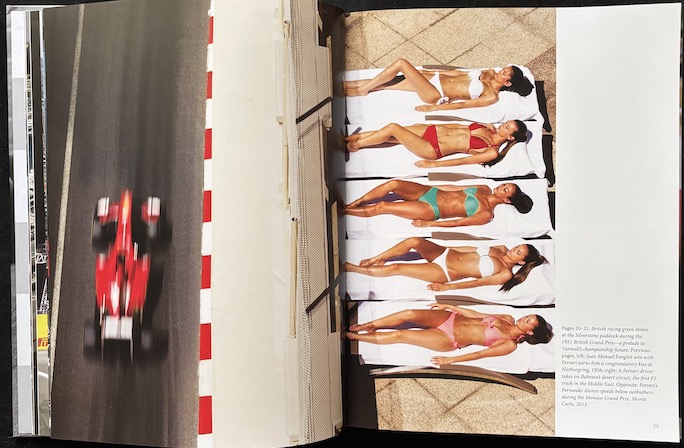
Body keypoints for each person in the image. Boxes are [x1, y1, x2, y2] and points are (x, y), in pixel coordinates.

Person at [345, 303, 553, 364]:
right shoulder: (507, 317)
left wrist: (451, 360)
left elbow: (480, 354)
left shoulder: (509, 344)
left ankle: (356, 337)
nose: (524, 318)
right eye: (528, 316)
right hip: (449, 318)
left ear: (530, 331)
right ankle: (369, 325)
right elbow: (477, 314)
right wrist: (451, 306)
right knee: (410, 314)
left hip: (449, 339)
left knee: (401, 335)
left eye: (528, 321)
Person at [343, 237, 546, 292]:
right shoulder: (501, 247)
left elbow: (476, 283)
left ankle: (353, 268)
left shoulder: (505, 274)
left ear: (521, 261)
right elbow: (469, 248)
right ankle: (375, 259)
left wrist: (447, 287)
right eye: (517, 246)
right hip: (446, 253)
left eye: (518, 251)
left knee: (397, 268)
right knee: (414, 241)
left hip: (445, 271)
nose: (513, 249)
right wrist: (442, 247)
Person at [344, 59, 534, 112]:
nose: (501, 71)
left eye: (505, 73)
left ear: (508, 82)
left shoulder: (492, 96)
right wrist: (434, 71)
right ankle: (345, 86)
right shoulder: (490, 72)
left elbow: (463, 105)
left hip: (436, 92)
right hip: (435, 78)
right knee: (389, 84)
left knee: (401, 63)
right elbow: (459, 73)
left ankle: (361, 90)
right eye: (505, 69)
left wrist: (433, 108)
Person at [344, 180, 532, 228]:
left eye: (505, 189)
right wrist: (430, 185)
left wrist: (430, 224)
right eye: (505, 184)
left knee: (383, 206)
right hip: (430, 192)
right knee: (393, 184)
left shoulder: (486, 214)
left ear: (506, 200)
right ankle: (358, 201)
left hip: (432, 209)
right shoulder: (483, 188)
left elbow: (458, 223)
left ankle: (345, 211)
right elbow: (454, 187)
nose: (501, 186)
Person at [345, 120, 528, 167]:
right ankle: (352, 139)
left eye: (507, 127)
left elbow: (462, 161)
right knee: (391, 134)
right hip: (432, 130)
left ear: (511, 137)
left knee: (393, 128)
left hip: (433, 148)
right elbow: (457, 126)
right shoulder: (489, 126)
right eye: (507, 123)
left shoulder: (492, 151)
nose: (504, 125)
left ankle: (356, 144)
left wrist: (433, 164)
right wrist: (431, 125)